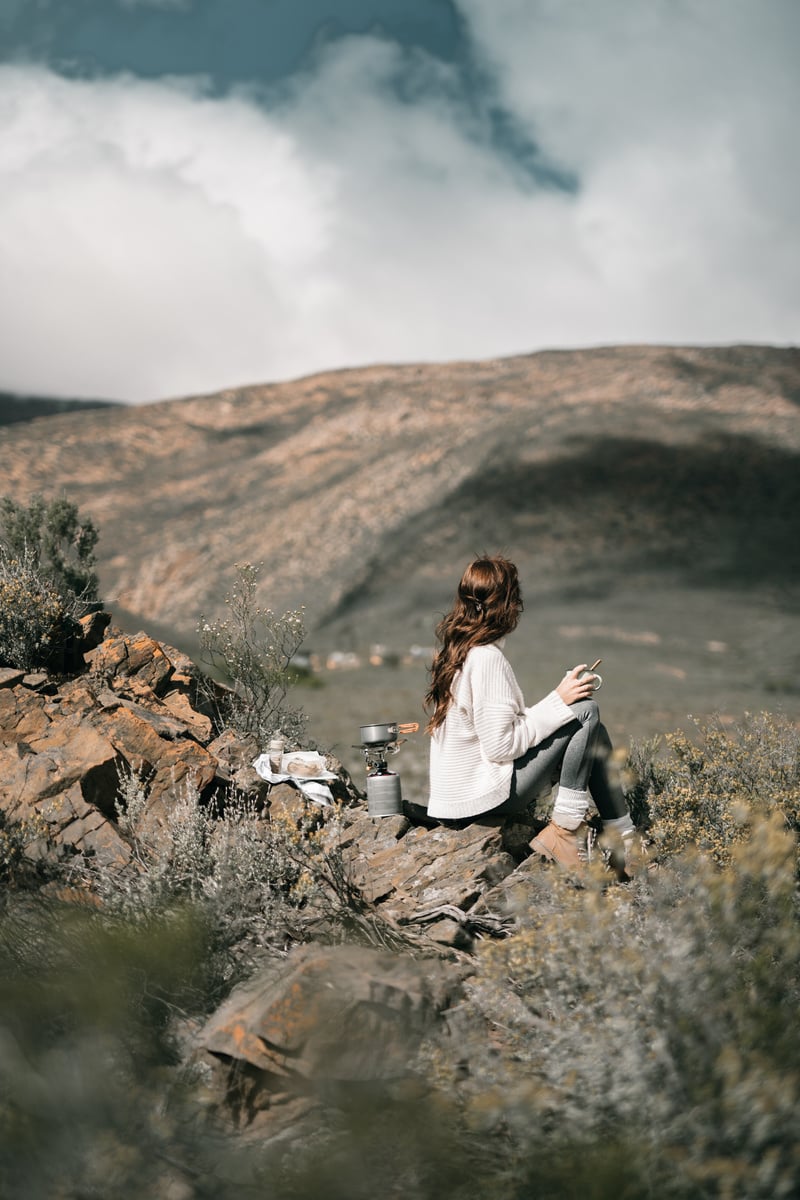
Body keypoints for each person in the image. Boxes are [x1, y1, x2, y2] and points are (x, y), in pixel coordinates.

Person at [424, 555, 637, 872]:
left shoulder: (461, 653)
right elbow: (500, 747)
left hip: (456, 803)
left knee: (593, 731)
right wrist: (559, 701)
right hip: (479, 800)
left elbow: (501, 731)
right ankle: (564, 832)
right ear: (509, 604)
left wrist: (559, 702)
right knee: (586, 712)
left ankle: (624, 842)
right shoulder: (486, 658)